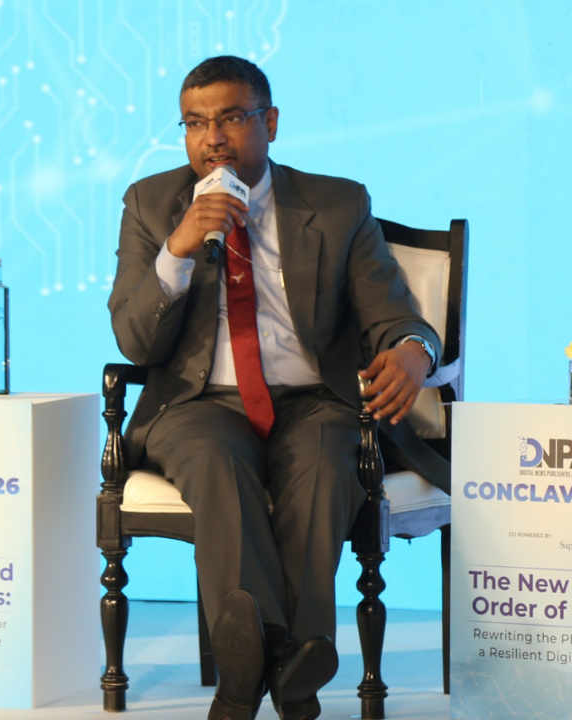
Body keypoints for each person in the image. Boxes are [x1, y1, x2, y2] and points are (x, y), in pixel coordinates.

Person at [108, 56, 446, 720]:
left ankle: (244, 679)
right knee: (216, 461)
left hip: (314, 399)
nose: (213, 138)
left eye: (231, 118)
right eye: (195, 123)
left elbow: (392, 313)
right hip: (198, 403)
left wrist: (415, 351)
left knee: (324, 466)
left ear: (270, 123)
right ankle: (293, 664)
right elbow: (134, 342)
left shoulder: (336, 204)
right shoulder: (151, 204)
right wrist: (177, 249)